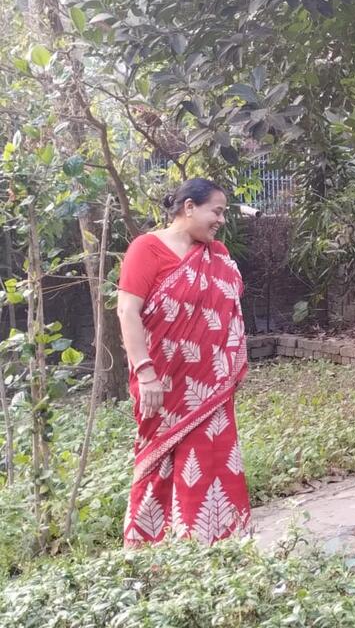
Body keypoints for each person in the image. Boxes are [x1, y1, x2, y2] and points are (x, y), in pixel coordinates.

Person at [117, 178, 251, 545]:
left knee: (209, 457)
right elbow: (127, 311)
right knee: (157, 460)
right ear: (189, 207)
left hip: (211, 386)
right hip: (161, 382)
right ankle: (147, 549)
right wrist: (145, 373)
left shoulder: (217, 255)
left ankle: (215, 547)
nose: (220, 220)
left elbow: (227, 309)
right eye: (217, 211)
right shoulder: (147, 248)